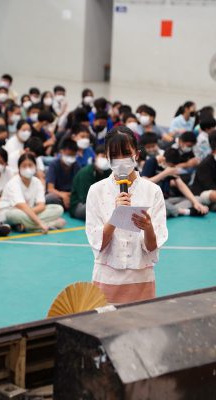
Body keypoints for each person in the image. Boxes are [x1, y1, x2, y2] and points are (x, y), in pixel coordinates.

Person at [85, 126, 168, 304]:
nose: (121, 160)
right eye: (115, 155)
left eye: (126, 153)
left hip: (141, 279)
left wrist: (148, 228)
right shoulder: (96, 190)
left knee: (141, 320)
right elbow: (98, 244)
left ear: (136, 154)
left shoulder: (153, 191)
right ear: (107, 157)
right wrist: (116, 216)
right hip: (107, 277)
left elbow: (152, 248)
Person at [0, 153, 65, 232]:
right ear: (19, 168)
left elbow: (41, 205)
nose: (27, 168)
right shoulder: (13, 183)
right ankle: (50, 224)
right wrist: (39, 223)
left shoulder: (37, 182)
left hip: (29, 211)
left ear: (35, 167)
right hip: (11, 212)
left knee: (58, 209)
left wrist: (29, 213)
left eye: (30, 165)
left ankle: (24, 225)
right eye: (24, 166)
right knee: (15, 215)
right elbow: (23, 207)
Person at [143, 148, 208, 218]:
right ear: (164, 159)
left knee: (197, 199)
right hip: (153, 200)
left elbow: (181, 185)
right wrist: (165, 173)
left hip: (166, 201)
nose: (172, 167)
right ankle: (185, 211)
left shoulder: (171, 167)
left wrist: (196, 203)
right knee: (158, 203)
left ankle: (169, 211)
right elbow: (144, 183)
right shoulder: (151, 162)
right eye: (171, 165)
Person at [70, 146, 111, 220]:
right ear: (95, 156)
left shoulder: (109, 172)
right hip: (80, 205)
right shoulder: (85, 173)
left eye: (108, 157)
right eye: (103, 156)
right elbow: (85, 198)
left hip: (102, 203)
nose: (105, 159)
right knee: (99, 210)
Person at [46, 139, 81, 209]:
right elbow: (50, 189)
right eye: (68, 155)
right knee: (49, 198)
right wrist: (62, 195)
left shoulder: (77, 166)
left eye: (73, 155)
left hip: (71, 196)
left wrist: (68, 195)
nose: (71, 158)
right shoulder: (54, 164)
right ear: (61, 152)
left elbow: (78, 189)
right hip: (58, 195)